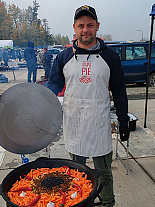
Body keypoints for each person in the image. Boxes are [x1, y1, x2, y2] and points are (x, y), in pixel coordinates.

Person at [46, 5, 129, 207]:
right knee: (75, 171)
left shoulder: (110, 56)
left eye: (90, 25)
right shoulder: (63, 57)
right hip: (74, 122)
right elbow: (53, 85)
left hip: (99, 123)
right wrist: (37, 104)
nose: (86, 30)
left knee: (103, 170)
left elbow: (119, 90)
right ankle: (79, 203)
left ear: (97, 26)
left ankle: (108, 202)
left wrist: (123, 119)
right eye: (81, 25)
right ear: (74, 28)